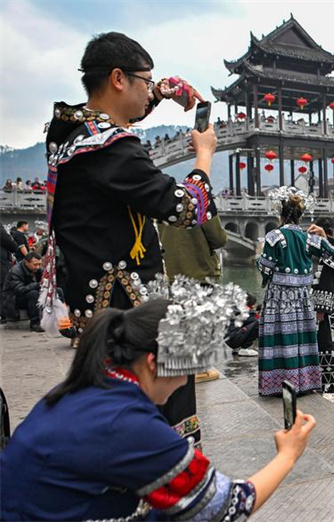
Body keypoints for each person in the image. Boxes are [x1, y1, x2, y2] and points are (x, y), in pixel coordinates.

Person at [0, 283, 317, 521]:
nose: (184, 383)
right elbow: (227, 506)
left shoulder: (90, 386)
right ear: (153, 362)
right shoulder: (128, 424)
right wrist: (288, 455)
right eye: (185, 370)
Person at [40, 32, 215, 447]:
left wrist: (162, 91)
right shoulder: (112, 150)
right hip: (132, 311)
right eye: (143, 81)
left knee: (110, 406)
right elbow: (185, 208)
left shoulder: (70, 132)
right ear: (118, 78)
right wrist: (203, 154)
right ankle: (173, 488)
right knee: (163, 406)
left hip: (96, 308)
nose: (147, 93)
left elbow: (126, 113)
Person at [257, 187, 334, 397]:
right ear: (300, 215)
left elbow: (265, 267)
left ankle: (278, 384)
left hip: (279, 296)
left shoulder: (274, 236)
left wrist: (264, 270)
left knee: (281, 338)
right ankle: (304, 382)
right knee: (302, 338)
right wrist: (323, 237)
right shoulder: (308, 238)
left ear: (281, 214)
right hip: (303, 297)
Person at [159, 213, 228, 383]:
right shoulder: (200, 198)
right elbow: (219, 239)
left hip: (174, 269)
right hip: (200, 269)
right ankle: (198, 370)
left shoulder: (166, 198)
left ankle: (183, 365)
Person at [311, 217, 334, 403]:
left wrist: (321, 308)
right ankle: (329, 384)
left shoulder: (329, 250)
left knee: (330, 344)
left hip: (330, 306)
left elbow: (327, 279)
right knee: (331, 343)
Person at [2, 252, 44, 331]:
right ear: (26, 263)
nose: (38, 267)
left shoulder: (38, 269)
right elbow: (19, 290)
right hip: (13, 300)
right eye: (35, 264)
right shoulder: (15, 271)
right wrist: (36, 285)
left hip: (26, 294)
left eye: (39, 264)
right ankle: (35, 324)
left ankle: (61, 320)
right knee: (33, 294)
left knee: (57, 291)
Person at [225, 292, 260, 357]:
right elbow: (255, 320)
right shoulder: (245, 312)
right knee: (258, 324)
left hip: (229, 338)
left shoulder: (235, 308)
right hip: (234, 338)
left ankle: (237, 348)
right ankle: (244, 348)